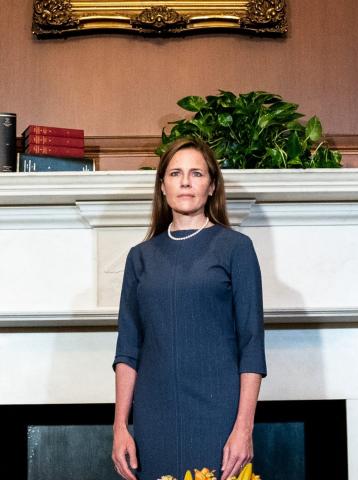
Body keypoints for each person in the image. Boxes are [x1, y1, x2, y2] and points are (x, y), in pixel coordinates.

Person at [111, 137, 267, 480]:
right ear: (163, 186)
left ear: (211, 186)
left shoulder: (236, 249)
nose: (185, 181)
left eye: (196, 173)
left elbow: (252, 345)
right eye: (175, 173)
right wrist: (120, 425)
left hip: (220, 415)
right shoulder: (140, 257)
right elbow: (127, 350)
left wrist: (244, 428)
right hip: (154, 416)